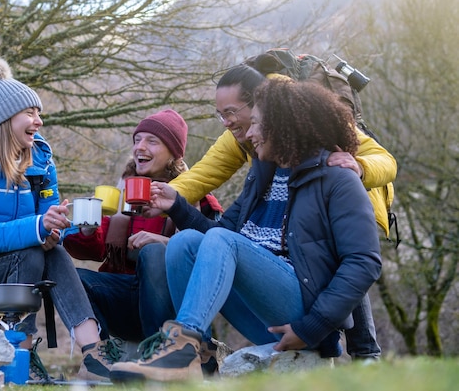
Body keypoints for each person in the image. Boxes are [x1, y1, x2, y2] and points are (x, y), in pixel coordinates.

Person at [109, 79, 383, 383]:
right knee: (185, 242)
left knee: (220, 240)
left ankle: (179, 351)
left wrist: (313, 326)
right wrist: (176, 205)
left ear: (282, 126)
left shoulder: (336, 179)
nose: (248, 133)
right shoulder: (261, 177)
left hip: (304, 316)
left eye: (256, 123)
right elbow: (217, 235)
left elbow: (364, 262)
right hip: (261, 314)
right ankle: (194, 359)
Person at [0, 56, 116, 382]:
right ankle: (25, 355)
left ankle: (95, 354)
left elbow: (46, 225)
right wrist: (38, 227)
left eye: (39, 114)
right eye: (30, 113)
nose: (39, 121)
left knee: (51, 250)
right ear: (5, 118)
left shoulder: (41, 164)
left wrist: (68, 226)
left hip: (18, 278)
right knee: (32, 248)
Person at [63, 109, 223, 372]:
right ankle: (103, 359)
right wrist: (88, 232)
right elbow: (95, 249)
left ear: (173, 153)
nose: (140, 147)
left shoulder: (199, 199)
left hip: (176, 308)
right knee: (72, 279)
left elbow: (216, 253)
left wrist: (162, 242)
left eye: (152, 141)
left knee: (152, 253)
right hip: (128, 302)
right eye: (137, 139)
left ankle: (164, 353)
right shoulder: (123, 194)